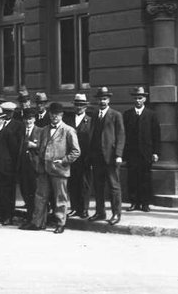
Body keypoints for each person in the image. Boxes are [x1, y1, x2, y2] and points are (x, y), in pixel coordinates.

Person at [24, 102, 80, 234]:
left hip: (59, 170)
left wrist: (64, 160)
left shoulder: (68, 130)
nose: (55, 117)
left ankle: (61, 223)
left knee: (60, 198)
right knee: (40, 196)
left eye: (57, 114)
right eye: (52, 114)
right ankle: (38, 222)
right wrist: (35, 149)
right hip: (44, 169)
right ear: (49, 115)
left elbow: (76, 151)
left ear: (62, 115)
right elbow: (42, 147)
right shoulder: (44, 130)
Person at [88, 86, 126, 225]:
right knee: (98, 186)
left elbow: (121, 136)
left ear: (108, 100)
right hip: (96, 156)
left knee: (114, 186)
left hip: (110, 157)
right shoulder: (94, 114)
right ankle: (100, 212)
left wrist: (119, 155)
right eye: (100, 99)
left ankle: (116, 214)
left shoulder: (116, 115)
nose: (102, 101)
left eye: (104, 99)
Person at [122, 87, 161, 212]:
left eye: (140, 98)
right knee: (132, 178)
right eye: (136, 98)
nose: (138, 101)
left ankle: (145, 203)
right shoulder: (127, 115)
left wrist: (155, 152)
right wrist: (124, 154)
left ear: (144, 99)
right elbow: (123, 135)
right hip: (132, 152)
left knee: (145, 178)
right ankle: (134, 202)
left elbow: (156, 135)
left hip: (146, 152)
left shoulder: (151, 115)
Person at [66, 93, 93, 219]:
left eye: (82, 105)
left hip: (85, 158)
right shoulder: (68, 120)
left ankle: (84, 209)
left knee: (84, 184)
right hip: (71, 157)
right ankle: (74, 208)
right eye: (77, 105)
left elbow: (92, 140)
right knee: (72, 183)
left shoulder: (90, 121)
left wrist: (90, 158)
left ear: (86, 106)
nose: (79, 107)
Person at [16, 107, 42, 224]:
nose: (28, 121)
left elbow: (45, 148)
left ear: (34, 119)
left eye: (30, 119)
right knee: (25, 193)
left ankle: (37, 219)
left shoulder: (40, 131)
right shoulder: (20, 132)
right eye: (26, 119)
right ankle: (29, 217)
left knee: (35, 194)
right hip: (23, 167)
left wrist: (35, 146)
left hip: (35, 168)